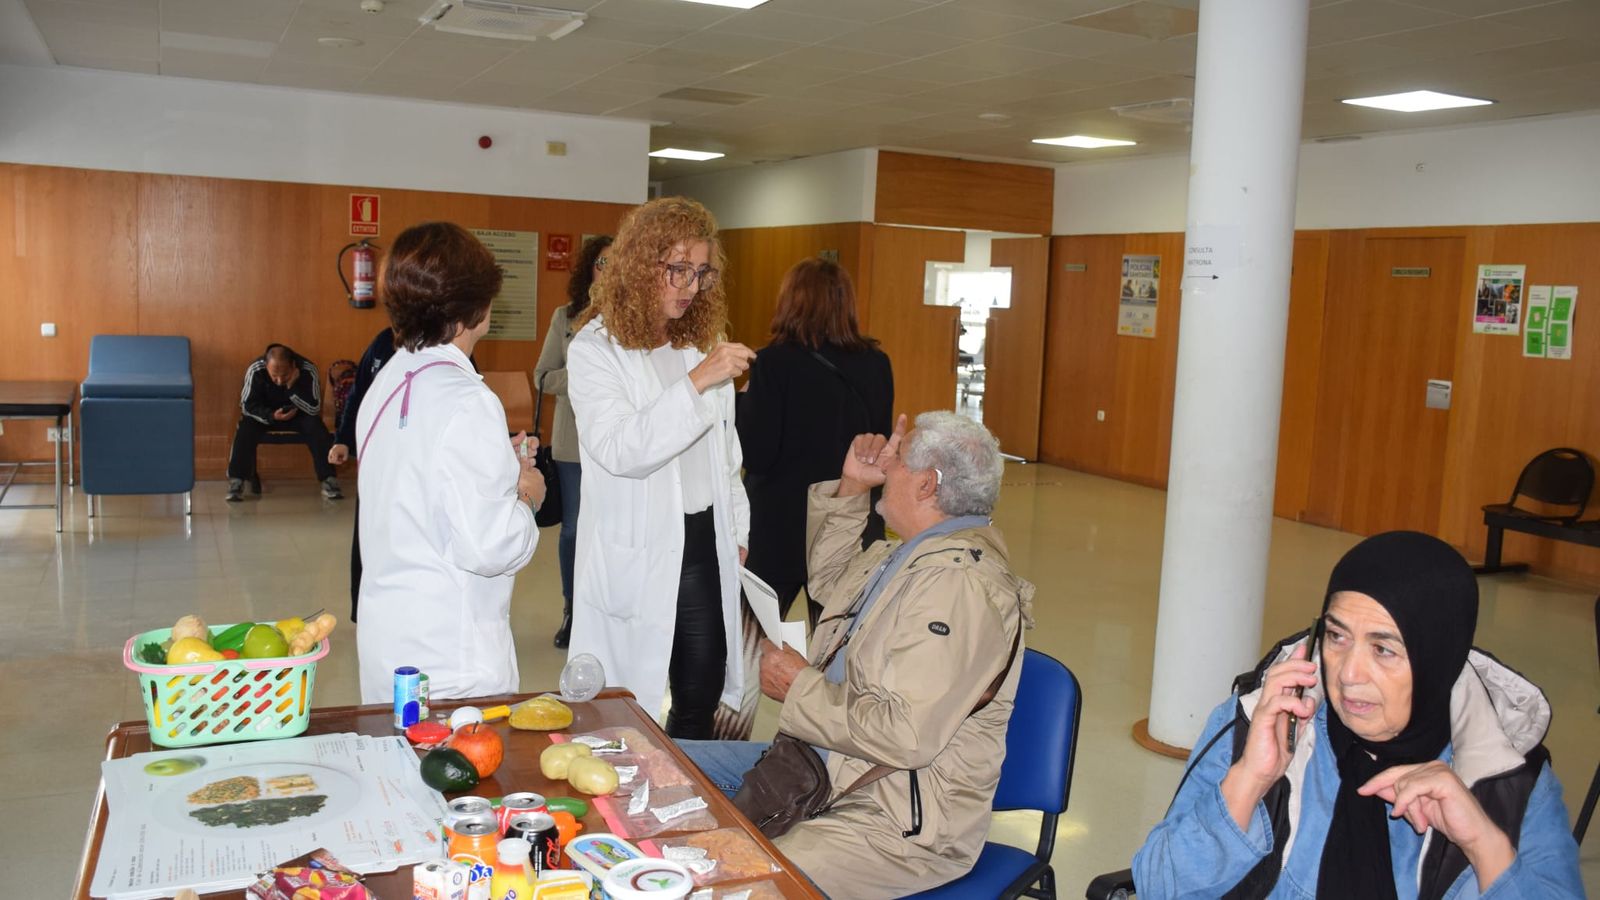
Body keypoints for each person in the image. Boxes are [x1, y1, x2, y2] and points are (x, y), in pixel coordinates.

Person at [680, 412, 1033, 900]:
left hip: (895, 819)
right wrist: (851, 486)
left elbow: (905, 735)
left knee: (741, 885)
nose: (887, 461)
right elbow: (831, 578)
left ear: (927, 485)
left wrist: (798, 687)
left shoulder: (960, 586)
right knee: (664, 767)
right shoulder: (915, 553)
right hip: (824, 765)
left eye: (900, 457)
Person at [1131, 531, 1584, 900]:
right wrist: (1249, 778)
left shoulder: (1509, 778)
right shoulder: (1263, 720)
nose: (1348, 674)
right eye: (1337, 636)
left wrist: (1485, 846)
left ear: (1437, 658)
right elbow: (1158, 887)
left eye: (1384, 649)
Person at [565, 197, 753, 741]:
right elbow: (622, 448)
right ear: (641, 265)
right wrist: (696, 385)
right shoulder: (595, 350)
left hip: (702, 537)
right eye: (677, 269)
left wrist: (736, 527)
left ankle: (684, 793)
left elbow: (726, 451)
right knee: (626, 700)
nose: (690, 286)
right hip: (639, 544)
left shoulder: (701, 343)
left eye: (700, 272)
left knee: (702, 684)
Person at [354, 222, 545, 704]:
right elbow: (488, 547)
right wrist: (525, 495)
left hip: (389, 644)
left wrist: (501, 467)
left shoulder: (388, 382)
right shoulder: (469, 400)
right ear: (477, 308)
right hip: (451, 663)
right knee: (457, 778)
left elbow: (419, 485)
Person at [736, 256, 893, 625]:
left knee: (753, 643)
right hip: (848, 523)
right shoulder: (877, 363)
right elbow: (876, 445)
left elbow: (757, 454)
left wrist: (743, 401)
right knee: (836, 649)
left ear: (791, 302)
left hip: (778, 527)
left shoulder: (771, 363)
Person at [535, 234, 612, 649]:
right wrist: (585, 375)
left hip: (622, 446)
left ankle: (607, 610)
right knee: (575, 530)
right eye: (602, 262)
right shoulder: (566, 316)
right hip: (574, 445)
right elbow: (543, 377)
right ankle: (573, 609)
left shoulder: (635, 317)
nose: (608, 270)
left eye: (616, 262)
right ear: (589, 269)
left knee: (616, 531)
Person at [328, 327, 399, 623]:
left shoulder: (444, 343)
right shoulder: (381, 342)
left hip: (419, 463)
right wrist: (343, 439)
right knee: (368, 534)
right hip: (377, 460)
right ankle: (364, 610)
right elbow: (358, 394)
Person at [226, 343, 341, 501]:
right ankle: (236, 481)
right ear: (266, 366)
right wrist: (271, 415)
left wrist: (291, 388)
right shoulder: (255, 369)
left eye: (285, 375)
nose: (279, 381)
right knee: (246, 427)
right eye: (274, 376)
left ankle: (329, 480)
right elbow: (246, 406)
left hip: (299, 415)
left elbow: (314, 408)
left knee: (316, 427)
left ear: (293, 366)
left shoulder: (308, 369)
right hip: (266, 416)